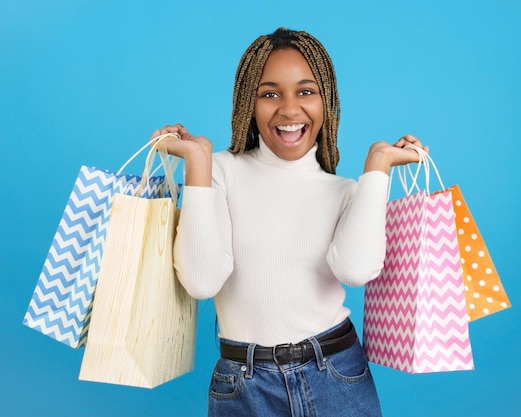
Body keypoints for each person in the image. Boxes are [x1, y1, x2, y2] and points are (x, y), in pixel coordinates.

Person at [152, 27, 428, 417]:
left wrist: (378, 166)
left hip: (336, 373)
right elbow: (201, 281)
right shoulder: (219, 172)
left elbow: (354, 270)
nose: (289, 109)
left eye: (305, 91)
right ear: (249, 102)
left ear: (326, 101)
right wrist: (198, 161)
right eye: (269, 94)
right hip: (244, 386)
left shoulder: (348, 191)